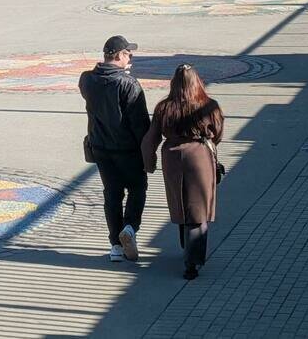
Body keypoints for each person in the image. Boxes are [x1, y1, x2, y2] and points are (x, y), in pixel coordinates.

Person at [141, 64, 224, 280]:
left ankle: (186, 247)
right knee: (198, 207)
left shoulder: (164, 107)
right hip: (199, 156)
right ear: (197, 81)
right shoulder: (209, 105)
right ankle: (192, 261)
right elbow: (218, 133)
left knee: (180, 201)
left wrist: (148, 164)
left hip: (172, 157)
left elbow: (151, 138)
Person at [79, 36, 151, 262]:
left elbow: (95, 82)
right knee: (137, 189)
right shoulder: (129, 85)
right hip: (128, 150)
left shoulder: (87, 80)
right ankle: (129, 229)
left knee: (112, 194)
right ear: (119, 56)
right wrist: (148, 151)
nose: (131, 57)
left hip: (100, 148)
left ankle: (115, 247)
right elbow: (141, 124)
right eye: (129, 53)